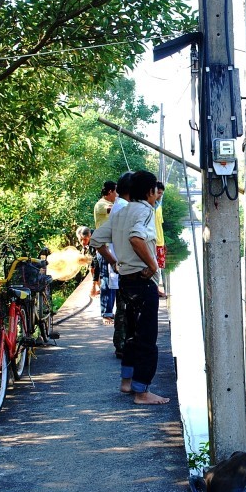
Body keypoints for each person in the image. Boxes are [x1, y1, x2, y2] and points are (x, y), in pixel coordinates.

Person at [90, 170, 169, 405]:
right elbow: (136, 238)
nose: (157, 195)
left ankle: (127, 382)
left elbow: (96, 240)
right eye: (155, 190)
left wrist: (114, 262)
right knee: (147, 338)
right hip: (143, 282)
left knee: (132, 334)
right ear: (149, 192)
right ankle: (142, 392)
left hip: (125, 281)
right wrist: (153, 265)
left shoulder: (121, 211)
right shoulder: (145, 211)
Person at [109, 171, 133, 358]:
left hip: (119, 263)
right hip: (124, 265)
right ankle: (123, 345)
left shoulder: (119, 205)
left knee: (122, 308)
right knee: (125, 310)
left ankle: (121, 343)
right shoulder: (125, 208)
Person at [94, 180, 117, 323]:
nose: (117, 195)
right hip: (104, 247)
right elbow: (113, 209)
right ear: (109, 192)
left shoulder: (110, 204)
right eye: (115, 192)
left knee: (112, 279)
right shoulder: (101, 204)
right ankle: (106, 312)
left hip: (110, 246)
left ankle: (109, 310)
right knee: (106, 278)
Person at [75, 226, 100, 296]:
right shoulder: (85, 237)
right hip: (95, 253)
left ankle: (98, 287)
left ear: (90, 236)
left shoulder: (95, 240)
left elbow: (96, 261)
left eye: (85, 240)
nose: (83, 242)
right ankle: (100, 287)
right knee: (91, 268)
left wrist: (93, 285)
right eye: (81, 240)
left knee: (94, 267)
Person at [153, 181, 167, 298]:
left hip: (160, 241)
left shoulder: (158, 206)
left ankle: (156, 289)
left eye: (161, 194)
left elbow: (160, 224)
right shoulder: (150, 207)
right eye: (158, 193)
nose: (160, 196)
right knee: (154, 267)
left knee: (158, 268)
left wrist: (163, 243)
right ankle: (155, 289)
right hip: (153, 241)